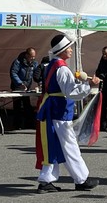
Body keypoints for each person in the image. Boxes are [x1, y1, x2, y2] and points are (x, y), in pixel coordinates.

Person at [35, 34, 100, 193]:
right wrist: (89, 85)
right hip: (60, 111)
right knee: (69, 145)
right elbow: (71, 91)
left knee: (54, 145)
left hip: (52, 109)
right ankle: (81, 179)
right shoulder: (62, 69)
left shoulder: (51, 65)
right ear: (62, 50)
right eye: (69, 48)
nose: (71, 50)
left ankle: (46, 180)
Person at [9, 47, 39, 130]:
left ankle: (28, 123)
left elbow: (37, 74)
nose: (33, 58)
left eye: (34, 57)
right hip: (17, 87)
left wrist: (39, 82)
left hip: (27, 87)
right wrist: (20, 83)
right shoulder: (18, 62)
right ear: (27, 55)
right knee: (17, 106)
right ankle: (17, 124)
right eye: (31, 57)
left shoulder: (34, 63)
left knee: (27, 105)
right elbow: (13, 73)